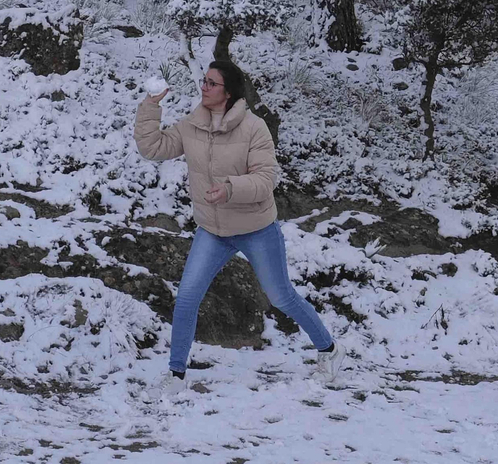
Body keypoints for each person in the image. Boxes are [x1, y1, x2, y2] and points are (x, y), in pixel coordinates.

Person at [134, 59, 344, 398]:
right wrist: (149, 108)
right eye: (204, 80)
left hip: (255, 228)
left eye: (212, 83)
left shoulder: (253, 128)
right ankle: (175, 376)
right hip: (212, 231)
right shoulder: (193, 125)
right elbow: (153, 148)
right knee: (186, 298)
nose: (204, 86)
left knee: (282, 296)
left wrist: (230, 188)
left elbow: (265, 179)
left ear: (229, 92)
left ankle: (330, 350)